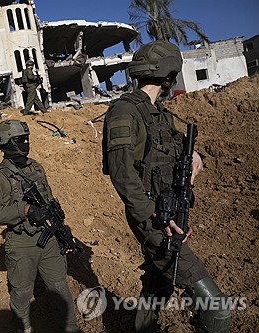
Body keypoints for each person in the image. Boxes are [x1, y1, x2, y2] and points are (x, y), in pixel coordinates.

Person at [102, 41, 231, 333]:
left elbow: (172, 153)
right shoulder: (125, 112)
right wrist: (157, 219)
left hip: (168, 213)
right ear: (169, 75)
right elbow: (123, 177)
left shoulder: (160, 114)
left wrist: (196, 155)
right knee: (218, 310)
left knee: (158, 286)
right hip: (155, 220)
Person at [0, 120, 80, 333]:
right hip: (22, 244)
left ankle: (70, 328)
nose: (26, 143)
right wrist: (24, 210)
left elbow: (49, 201)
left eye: (26, 139)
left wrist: (62, 233)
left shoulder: (36, 167)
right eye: (20, 140)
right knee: (22, 292)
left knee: (59, 287)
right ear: (6, 143)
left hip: (49, 239)